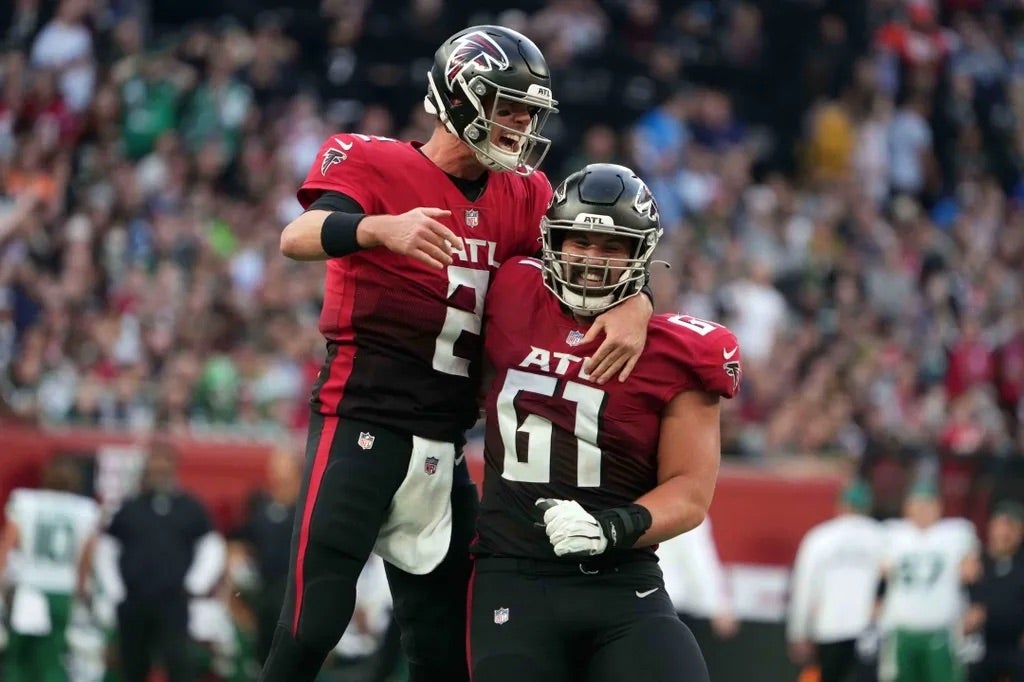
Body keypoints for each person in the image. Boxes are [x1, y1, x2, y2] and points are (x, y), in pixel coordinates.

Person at [261, 25, 654, 682]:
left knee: (445, 653)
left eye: (530, 113)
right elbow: (295, 236)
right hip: (361, 421)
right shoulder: (373, 161)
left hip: (446, 444)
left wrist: (635, 303)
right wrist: (377, 228)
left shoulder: (523, 192)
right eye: (510, 107)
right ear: (461, 96)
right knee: (311, 626)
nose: (522, 126)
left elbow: (591, 263)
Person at [468, 163, 742, 681]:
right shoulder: (508, 291)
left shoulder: (679, 351)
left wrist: (608, 528)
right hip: (514, 574)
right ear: (553, 240)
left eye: (612, 246)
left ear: (641, 254)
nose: (592, 260)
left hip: (622, 581)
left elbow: (689, 492)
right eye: (578, 241)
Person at [97, 442, 227, 682]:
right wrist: (114, 589)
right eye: (153, 466)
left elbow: (211, 547)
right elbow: (106, 550)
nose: (158, 472)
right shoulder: (129, 507)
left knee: (179, 664)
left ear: (174, 469)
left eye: (163, 466)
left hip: (173, 602)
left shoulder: (190, 507)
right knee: (132, 666)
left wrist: (195, 584)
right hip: (134, 600)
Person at [0, 456, 100, 682]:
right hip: (62, 589)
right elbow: (86, 557)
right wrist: (81, 589)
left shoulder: (25, 501)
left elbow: (7, 545)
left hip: (30, 588)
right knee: (53, 657)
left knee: (19, 656)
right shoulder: (86, 509)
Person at [877, 480, 979, 682]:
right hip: (901, 632)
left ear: (939, 506)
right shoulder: (891, 533)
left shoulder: (956, 533)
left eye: (928, 503)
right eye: (918, 503)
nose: (923, 509)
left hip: (942, 631)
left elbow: (972, 573)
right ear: (907, 507)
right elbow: (880, 574)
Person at [787, 479, 886, 682]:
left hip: (829, 626)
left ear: (841, 505)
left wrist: (799, 632)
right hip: (871, 629)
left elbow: (804, 587)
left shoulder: (820, 537)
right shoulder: (883, 537)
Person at [964, 500, 1024, 682]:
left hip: (1016, 645)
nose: (1005, 533)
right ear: (990, 528)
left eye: (1012, 527)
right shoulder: (974, 562)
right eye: (1001, 525)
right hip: (978, 644)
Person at [657, 516, 740, 641]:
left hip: (634, 603)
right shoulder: (687, 510)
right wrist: (719, 605)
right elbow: (697, 561)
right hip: (671, 606)